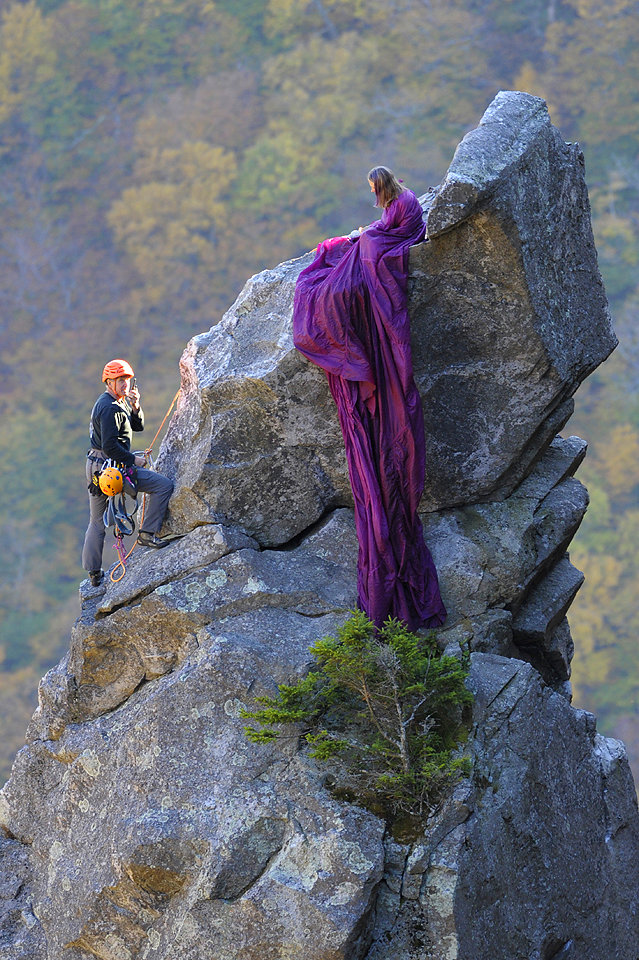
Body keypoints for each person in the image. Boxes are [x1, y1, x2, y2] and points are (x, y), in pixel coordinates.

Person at [293, 166, 446, 631]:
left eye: (373, 190)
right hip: (381, 243)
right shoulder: (402, 201)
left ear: (382, 187)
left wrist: (363, 239)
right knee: (341, 264)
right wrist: (363, 237)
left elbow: (393, 235)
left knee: (331, 283)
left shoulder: (403, 204)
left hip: (384, 253)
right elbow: (385, 231)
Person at [82, 359, 175, 586]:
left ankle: (94, 573)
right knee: (163, 486)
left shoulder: (115, 402)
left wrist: (135, 407)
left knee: (96, 521)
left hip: (97, 467)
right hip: (111, 467)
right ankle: (147, 534)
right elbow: (111, 447)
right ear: (109, 382)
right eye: (120, 380)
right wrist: (135, 459)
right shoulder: (109, 408)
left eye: (127, 380)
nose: (125, 384)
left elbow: (137, 426)